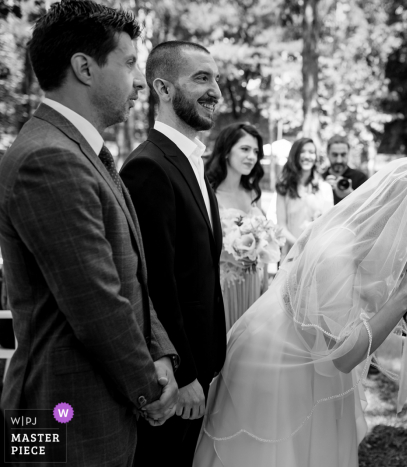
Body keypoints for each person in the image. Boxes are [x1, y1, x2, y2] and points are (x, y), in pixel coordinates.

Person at [0, 1, 178, 465]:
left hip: (96, 407)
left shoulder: (83, 150)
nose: (140, 80)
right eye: (129, 62)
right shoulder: (48, 158)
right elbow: (95, 300)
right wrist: (150, 389)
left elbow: (131, 275)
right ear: (84, 67)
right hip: (61, 416)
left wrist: (160, 351)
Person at [193, 157, 407, 467]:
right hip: (278, 366)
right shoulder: (337, 252)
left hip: (319, 364)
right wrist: (401, 298)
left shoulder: (378, 244)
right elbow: (344, 357)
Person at [120, 41, 226, 466]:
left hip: (205, 367)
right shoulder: (149, 167)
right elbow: (154, 284)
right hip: (177, 381)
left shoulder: (193, 162)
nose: (216, 90)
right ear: (163, 89)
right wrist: (182, 376)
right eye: (202, 77)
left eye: (216, 78)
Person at [205, 122, 268, 330]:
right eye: (245, 149)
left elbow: (267, 241)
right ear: (226, 152)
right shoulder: (209, 194)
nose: (252, 156)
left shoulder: (252, 194)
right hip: (224, 286)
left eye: (256, 151)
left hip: (253, 283)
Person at [276, 138, 333, 256]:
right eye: (303, 151)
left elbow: (329, 225)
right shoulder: (284, 188)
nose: (307, 156)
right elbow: (281, 226)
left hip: (317, 253)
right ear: (295, 155)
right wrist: (299, 245)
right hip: (292, 252)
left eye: (311, 152)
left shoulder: (325, 188)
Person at [322, 135, 368, 204]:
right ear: (328, 154)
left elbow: (368, 208)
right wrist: (321, 190)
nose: (339, 160)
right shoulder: (320, 179)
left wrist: (350, 193)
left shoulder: (360, 178)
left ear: (348, 154)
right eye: (335, 155)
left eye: (343, 155)